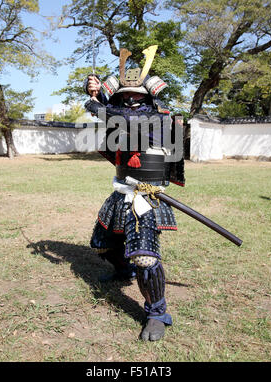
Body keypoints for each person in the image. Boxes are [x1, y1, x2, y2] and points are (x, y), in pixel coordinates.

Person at [84, 46, 184, 341]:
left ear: (150, 97)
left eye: (137, 95)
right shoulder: (118, 113)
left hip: (146, 196)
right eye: (124, 96)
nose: (130, 99)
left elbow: (129, 122)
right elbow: (115, 122)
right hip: (120, 192)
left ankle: (156, 312)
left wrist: (99, 105)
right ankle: (122, 271)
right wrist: (94, 93)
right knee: (102, 244)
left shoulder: (161, 116)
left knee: (145, 258)